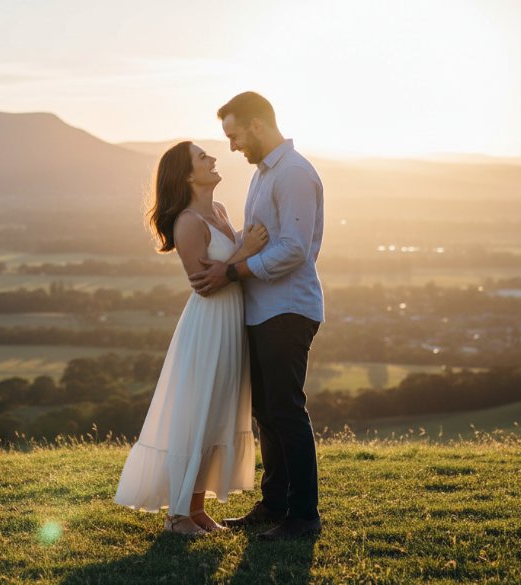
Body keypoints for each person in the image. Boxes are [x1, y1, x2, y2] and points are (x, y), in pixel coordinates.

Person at [114, 140, 269, 536]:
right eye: (203, 157)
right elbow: (204, 284)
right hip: (208, 325)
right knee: (197, 414)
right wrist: (246, 250)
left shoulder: (218, 211)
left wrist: (242, 254)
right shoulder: (187, 222)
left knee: (216, 414)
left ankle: (196, 510)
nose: (213, 158)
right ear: (187, 175)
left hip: (231, 323)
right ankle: (176, 516)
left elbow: (225, 270)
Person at [189, 91, 325, 540]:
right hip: (262, 309)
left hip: (288, 308)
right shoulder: (263, 176)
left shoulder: (294, 174)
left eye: (234, 135)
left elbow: (292, 250)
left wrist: (232, 270)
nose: (231, 147)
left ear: (258, 126)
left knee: (286, 411)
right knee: (267, 412)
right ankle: (274, 505)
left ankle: (303, 517)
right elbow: (256, 237)